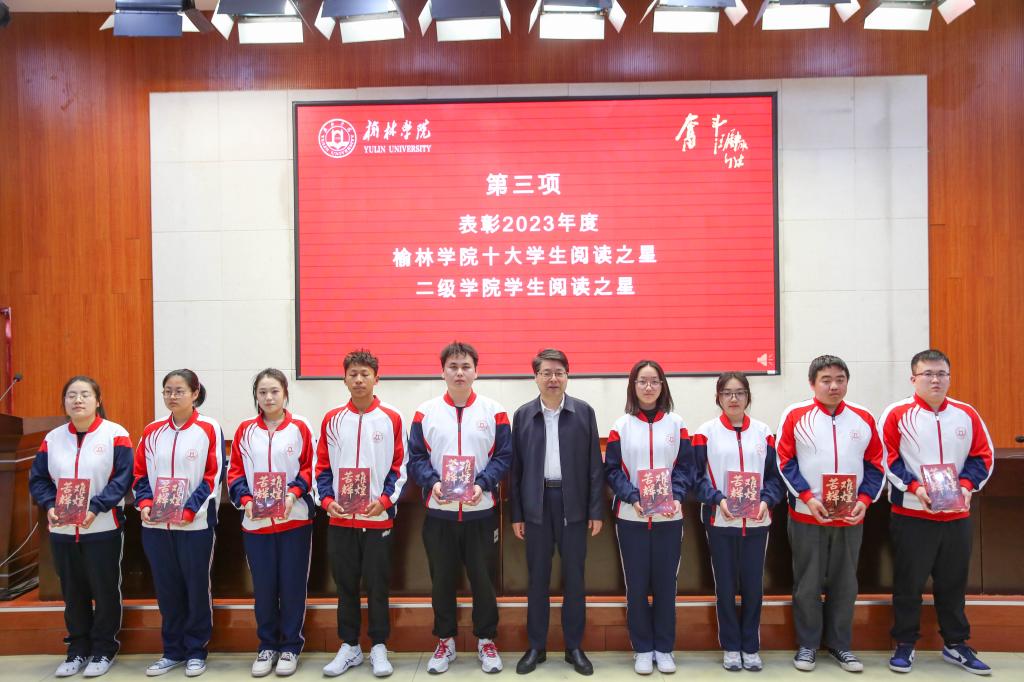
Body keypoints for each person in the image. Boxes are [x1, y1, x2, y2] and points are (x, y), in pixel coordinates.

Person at [880, 349, 995, 675]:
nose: (935, 380)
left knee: (953, 583)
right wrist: (915, 488)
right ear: (913, 378)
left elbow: (983, 456)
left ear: (949, 377)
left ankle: (956, 644)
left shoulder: (966, 414)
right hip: (912, 515)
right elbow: (887, 458)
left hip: (956, 517)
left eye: (941, 374)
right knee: (908, 583)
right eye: (927, 374)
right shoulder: (896, 414)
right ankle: (905, 643)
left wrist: (966, 486)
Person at [407, 341, 512, 674]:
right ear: (443, 372)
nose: (459, 372)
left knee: (484, 580)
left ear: (476, 372)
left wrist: (482, 484)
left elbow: (504, 457)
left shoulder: (494, 411)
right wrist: (433, 483)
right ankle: (445, 640)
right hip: (439, 514)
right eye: (452, 367)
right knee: (441, 581)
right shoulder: (425, 412)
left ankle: (486, 640)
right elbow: (416, 458)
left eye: (466, 366)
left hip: (481, 513)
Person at [776, 355, 884, 673]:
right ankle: (808, 645)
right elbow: (784, 462)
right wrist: (807, 498)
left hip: (850, 518)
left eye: (840, 379)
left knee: (845, 583)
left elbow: (876, 464)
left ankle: (840, 645)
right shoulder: (795, 415)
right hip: (807, 515)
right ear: (812, 383)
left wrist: (865, 499)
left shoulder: (863, 417)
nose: (834, 386)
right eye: (826, 380)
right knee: (807, 583)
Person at [28, 376, 133, 678]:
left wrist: (96, 508)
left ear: (98, 400)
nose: (78, 400)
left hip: (102, 528)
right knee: (72, 592)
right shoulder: (53, 438)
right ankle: (77, 649)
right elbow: (38, 479)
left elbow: (122, 479)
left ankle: (104, 649)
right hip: (62, 530)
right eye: (71, 395)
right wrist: (50, 505)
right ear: (64, 402)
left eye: (85, 394)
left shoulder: (116, 434)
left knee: (105, 590)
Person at [509, 349, 604, 676]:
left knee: (575, 578)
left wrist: (595, 510)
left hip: (573, 504)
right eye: (546, 373)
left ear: (567, 376)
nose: (553, 379)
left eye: (559, 372)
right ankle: (536, 646)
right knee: (537, 578)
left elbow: (595, 466)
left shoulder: (583, 412)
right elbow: (516, 471)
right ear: (536, 377)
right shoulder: (523, 415)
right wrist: (517, 514)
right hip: (536, 505)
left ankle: (574, 646)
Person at [316, 350, 408, 678]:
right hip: (340, 518)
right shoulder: (332, 419)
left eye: (364, 374)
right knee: (345, 585)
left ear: (376, 378)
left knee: (378, 585)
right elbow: (321, 467)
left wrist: (384, 500)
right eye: (352, 374)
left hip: (378, 518)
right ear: (344, 379)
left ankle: (379, 645)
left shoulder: (392, 417)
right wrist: (327, 501)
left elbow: (400, 466)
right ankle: (350, 646)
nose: (358, 380)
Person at [133, 369, 225, 678]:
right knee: (167, 588)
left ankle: (196, 650)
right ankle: (172, 650)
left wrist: (189, 511)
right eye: (167, 391)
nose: (172, 396)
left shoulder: (208, 428)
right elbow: (139, 473)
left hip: (195, 526)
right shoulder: (152, 430)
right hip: (156, 527)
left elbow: (213, 476)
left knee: (196, 587)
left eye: (179, 391)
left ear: (195, 393)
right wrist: (145, 504)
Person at [692, 372, 785, 672]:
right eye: (727, 393)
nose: (734, 398)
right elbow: (696, 478)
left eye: (740, 392)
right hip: (720, 521)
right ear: (718, 397)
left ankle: (751, 646)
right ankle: (731, 646)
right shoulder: (705, 433)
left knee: (754, 587)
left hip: (757, 523)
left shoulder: (763, 432)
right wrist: (718, 499)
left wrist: (766, 501)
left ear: (748, 396)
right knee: (725, 586)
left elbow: (775, 478)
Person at [604, 360, 692, 676]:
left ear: (662, 386)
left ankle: (664, 648)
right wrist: (633, 497)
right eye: (642, 381)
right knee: (637, 585)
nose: (648, 386)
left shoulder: (677, 424)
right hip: (632, 518)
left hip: (669, 519)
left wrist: (676, 496)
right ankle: (642, 648)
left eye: (654, 381)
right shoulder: (621, 426)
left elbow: (685, 467)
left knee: (667, 585)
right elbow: (612, 470)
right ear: (633, 386)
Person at [227, 369, 315, 677]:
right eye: (262, 392)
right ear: (256, 396)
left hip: (295, 522)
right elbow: (235, 472)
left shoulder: (300, 427)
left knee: (292, 586)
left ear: (285, 393)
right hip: (256, 525)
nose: (268, 397)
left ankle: (290, 646)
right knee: (264, 588)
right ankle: (267, 646)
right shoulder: (244, 430)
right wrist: (247, 500)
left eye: (274, 391)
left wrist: (292, 494)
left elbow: (310, 468)